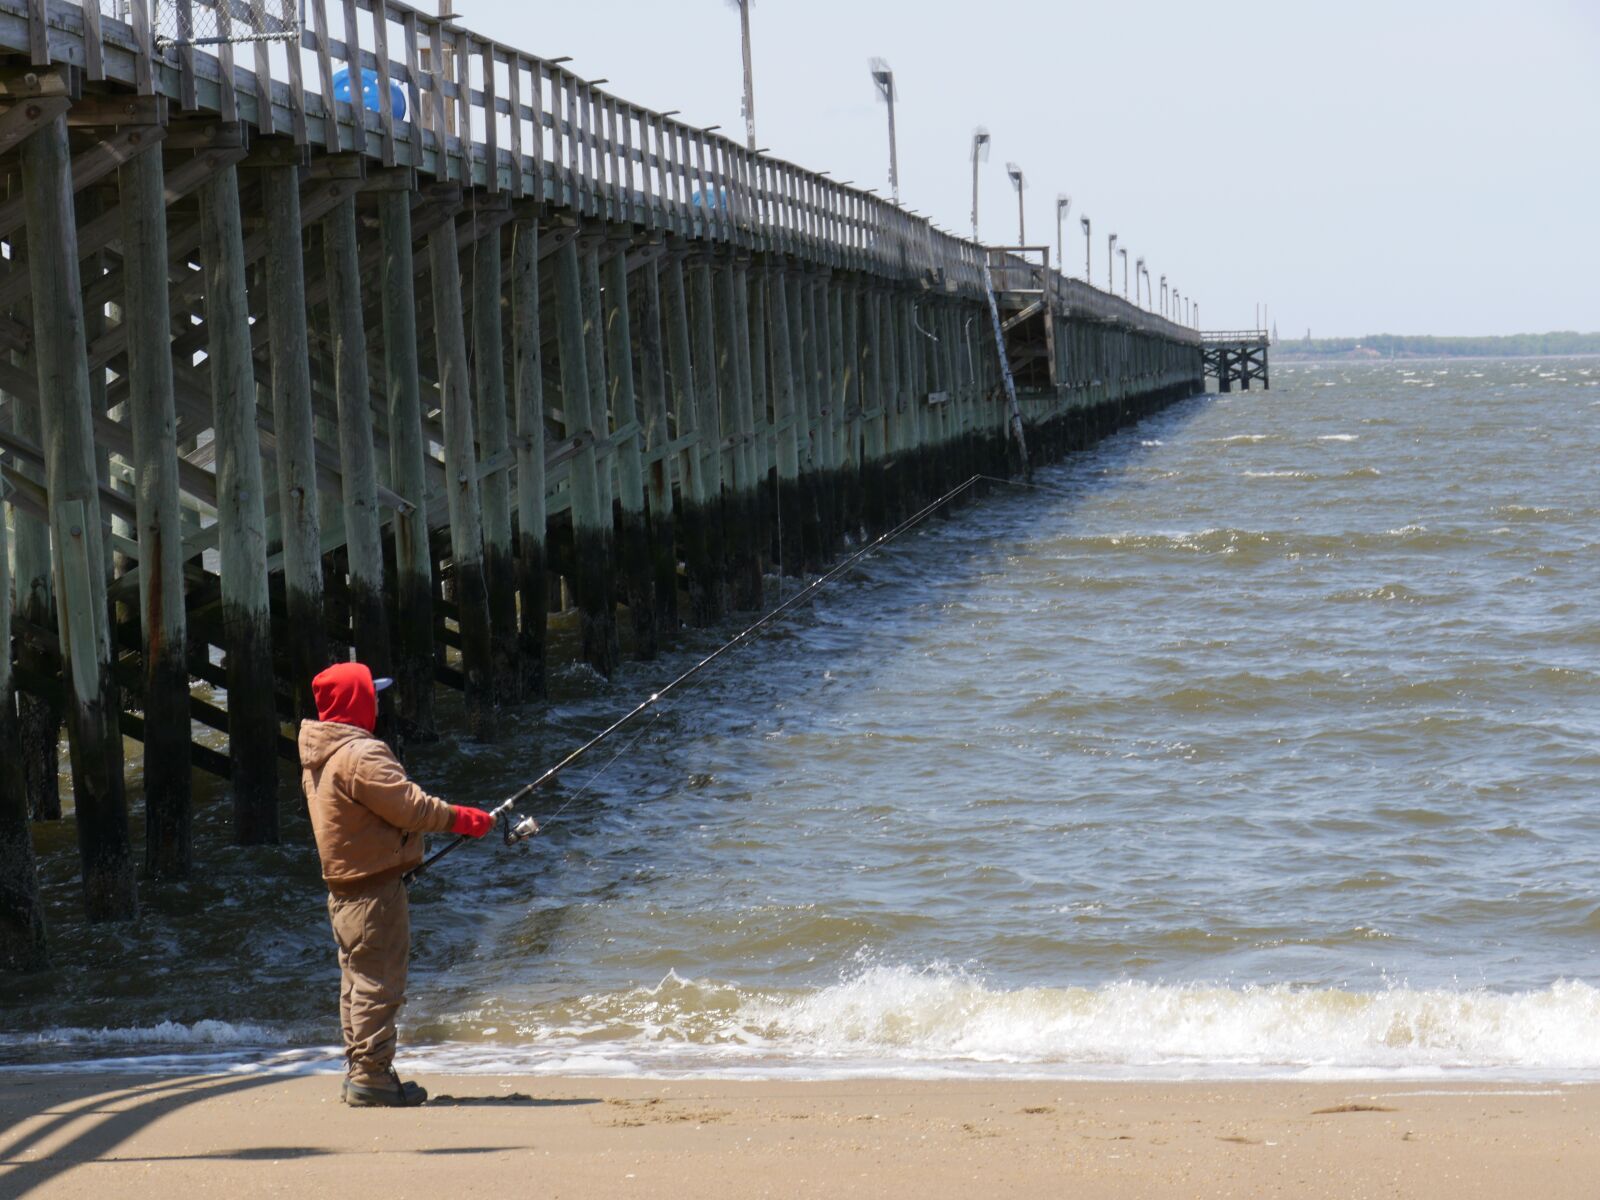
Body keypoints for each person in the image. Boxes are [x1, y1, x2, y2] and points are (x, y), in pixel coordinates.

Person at [299, 661, 494, 1107]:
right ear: (357, 702)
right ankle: (372, 1077)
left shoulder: (321, 755)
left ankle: (364, 1069)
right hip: (373, 892)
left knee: (357, 981)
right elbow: (409, 807)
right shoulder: (360, 754)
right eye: (372, 694)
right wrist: (465, 819)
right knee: (379, 984)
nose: (379, 702)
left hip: (347, 890)